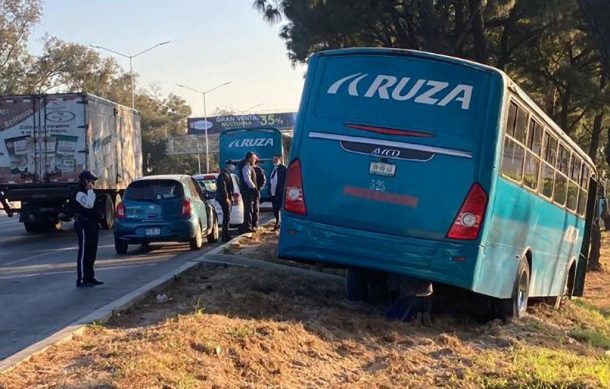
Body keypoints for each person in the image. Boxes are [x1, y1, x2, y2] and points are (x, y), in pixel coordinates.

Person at [74, 170, 103, 288]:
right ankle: (81, 279)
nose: (93, 183)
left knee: (92, 252)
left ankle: (90, 277)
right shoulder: (79, 194)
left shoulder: (91, 192)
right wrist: (90, 190)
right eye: (91, 181)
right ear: (85, 181)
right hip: (83, 226)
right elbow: (89, 204)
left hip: (92, 225)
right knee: (84, 253)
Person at [215, 160, 235, 242]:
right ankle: (225, 236)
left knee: (227, 216)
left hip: (226, 198)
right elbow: (222, 187)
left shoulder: (227, 174)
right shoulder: (223, 174)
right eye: (232, 165)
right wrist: (226, 197)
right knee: (226, 217)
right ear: (228, 165)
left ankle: (226, 234)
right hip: (224, 198)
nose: (233, 167)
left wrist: (231, 197)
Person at [239, 151, 257, 233]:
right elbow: (247, 179)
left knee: (248, 208)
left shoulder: (247, 165)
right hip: (247, 191)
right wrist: (253, 188)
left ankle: (247, 225)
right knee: (248, 209)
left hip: (246, 191)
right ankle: (248, 226)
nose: (254, 160)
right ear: (249, 158)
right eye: (253, 158)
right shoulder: (246, 166)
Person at [270, 155, 287, 230]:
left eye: (276, 159)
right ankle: (277, 222)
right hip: (273, 192)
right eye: (273, 159)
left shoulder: (283, 169)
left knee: (280, 208)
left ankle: (281, 223)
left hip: (280, 193)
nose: (274, 160)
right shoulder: (273, 169)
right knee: (275, 209)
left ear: (280, 159)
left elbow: (285, 181)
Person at [252, 157, 266, 230]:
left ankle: (255, 224)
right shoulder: (247, 169)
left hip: (256, 192)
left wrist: (259, 188)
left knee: (255, 208)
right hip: (248, 192)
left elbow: (263, 181)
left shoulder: (258, 170)